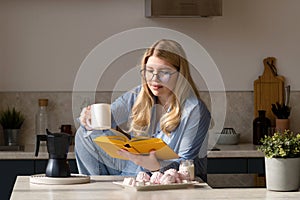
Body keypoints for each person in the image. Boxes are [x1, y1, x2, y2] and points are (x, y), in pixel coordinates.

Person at [75, 39, 211, 182]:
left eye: (164, 72)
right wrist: (88, 118)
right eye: (149, 71)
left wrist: (155, 166)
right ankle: (98, 190)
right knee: (86, 134)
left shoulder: (193, 109)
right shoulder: (138, 95)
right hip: (135, 171)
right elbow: (109, 117)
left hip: (169, 177)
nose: (154, 79)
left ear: (180, 73)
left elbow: (186, 164)